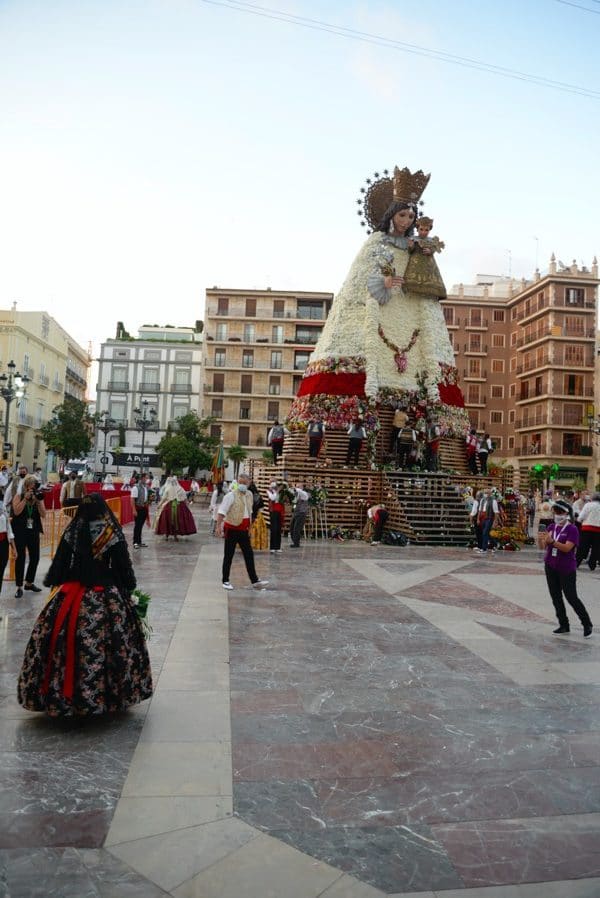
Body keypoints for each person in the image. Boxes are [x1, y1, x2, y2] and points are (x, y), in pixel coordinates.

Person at [286, 165, 468, 441]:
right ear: (391, 214)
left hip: (412, 314)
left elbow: (423, 279)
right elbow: (362, 281)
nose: (406, 221)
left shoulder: (415, 248)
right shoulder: (376, 242)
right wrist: (384, 282)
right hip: (376, 315)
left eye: (411, 216)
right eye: (402, 215)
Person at [17, 493, 153, 716]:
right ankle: (108, 695)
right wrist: (128, 588)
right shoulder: (110, 532)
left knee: (57, 637)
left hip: (71, 592)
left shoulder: (73, 531)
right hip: (105, 592)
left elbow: (60, 565)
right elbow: (123, 567)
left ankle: (60, 696)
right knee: (115, 641)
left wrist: (56, 585)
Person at [540, 499, 592, 638]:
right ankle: (563, 624)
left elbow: (567, 548)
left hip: (566, 568)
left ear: (567, 514)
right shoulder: (551, 527)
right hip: (550, 565)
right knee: (555, 596)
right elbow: (544, 546)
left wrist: (553, 541)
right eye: (556, 512)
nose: (557, 515)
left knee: (571, 596)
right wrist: (542, 540)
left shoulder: (572, 529)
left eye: (560, 512)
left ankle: (586, 623)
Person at [216, 474, 268, 590]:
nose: (242, 485)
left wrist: (250, 527)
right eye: (240, 483)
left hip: (244, 529)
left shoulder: (249, 495)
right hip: (231, 528)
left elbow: (249, 512)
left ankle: (254, 580)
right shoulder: (230, 496)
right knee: (229, 555)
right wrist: (218, 526)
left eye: (245, 483)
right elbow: (222, 511)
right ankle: (225, 580)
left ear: (249, 483)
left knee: (249, 554)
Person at [11, 474, 46, 597]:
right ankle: (19, 586)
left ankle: (29, 583)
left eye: (34, 487)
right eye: (31, 487)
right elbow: (16, 512)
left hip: (33, 531)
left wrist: (38, 502)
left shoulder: (38, 497)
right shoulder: (18, 496)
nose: (32, 490)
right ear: (26, 487)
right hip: (20, 531)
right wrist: (25, 499)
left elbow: (44, 514)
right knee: (20, 558)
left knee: (35, 557)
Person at [403, 215, 446, 300]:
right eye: (421, 229)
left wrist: (430, 251)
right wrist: (411, 246)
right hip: (415, 263)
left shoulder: (431, 241)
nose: (423, 232)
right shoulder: (413, 239)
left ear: (429, 230)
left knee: (429, 280)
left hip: (428, 264)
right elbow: (410, 251)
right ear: (417, 229)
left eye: (426, 230)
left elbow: (435, 248)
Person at [154, 475, 197, 541]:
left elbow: (163, 498)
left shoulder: (168, 489)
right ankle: (175, 535)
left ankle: (167, 535)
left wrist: (159, 505)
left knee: (167, 520)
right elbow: (185, 499)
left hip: (169, 506)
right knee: (178, 520)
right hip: (180, 506)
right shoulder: (181, 488)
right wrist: (187, 506)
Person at [575, 492, 600, 571]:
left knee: (582, 547)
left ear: (592, 498)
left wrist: (579, 520)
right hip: (598, 530)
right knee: (596, 548)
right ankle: (592, 565)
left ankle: (577, 562)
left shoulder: (588, 505)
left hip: (587, 529)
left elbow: (581, 517)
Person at [0, 494, 15, 598]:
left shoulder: (2, 505)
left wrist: (13, 548)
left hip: (3, 543)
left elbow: (8, 528)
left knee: (1, 571)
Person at [475, 489, 498, 555]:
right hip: (482, 518)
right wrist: (478, 519)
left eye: (487, 493)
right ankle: (495, 544)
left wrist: (495, 521)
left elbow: (496, 512)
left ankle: (484, 549)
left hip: (489, 518)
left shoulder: (493, 501)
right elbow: (479, 510)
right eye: (485, 493)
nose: (486, 494)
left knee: (485, 532)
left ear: (490, 494)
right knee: (486, 533)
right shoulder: (482, 500)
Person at [131, 472, 150, 548]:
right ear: (142, 478)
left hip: (144, 508)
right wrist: (134, 510)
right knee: (137, 526)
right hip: (138, 508)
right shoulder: (136, 487)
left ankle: (139, 542)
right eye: (146, 478)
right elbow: (132, 499)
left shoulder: (146, 487)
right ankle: (135, 542)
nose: (147, 479)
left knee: (141, 526)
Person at [267, 480, 286, 553]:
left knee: (278, 529)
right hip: (273, 511)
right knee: (274, 529)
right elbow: (272, 498)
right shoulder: (269, 491)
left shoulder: (281, 492)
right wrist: (276, 491)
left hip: (280, 511)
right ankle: (272, 547)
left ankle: (278, 547)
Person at [289, 482, 310, 548]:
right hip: (296, 513)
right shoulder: (297, 494)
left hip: (301, 513)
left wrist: (295, 488)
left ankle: (296, 543)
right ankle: (295, 541)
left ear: (302, 487)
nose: (297, 488)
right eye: (297, 486)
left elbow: (300, 492)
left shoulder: (304, 494)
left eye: (298, 487)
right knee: (292, 528)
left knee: (297, 529)